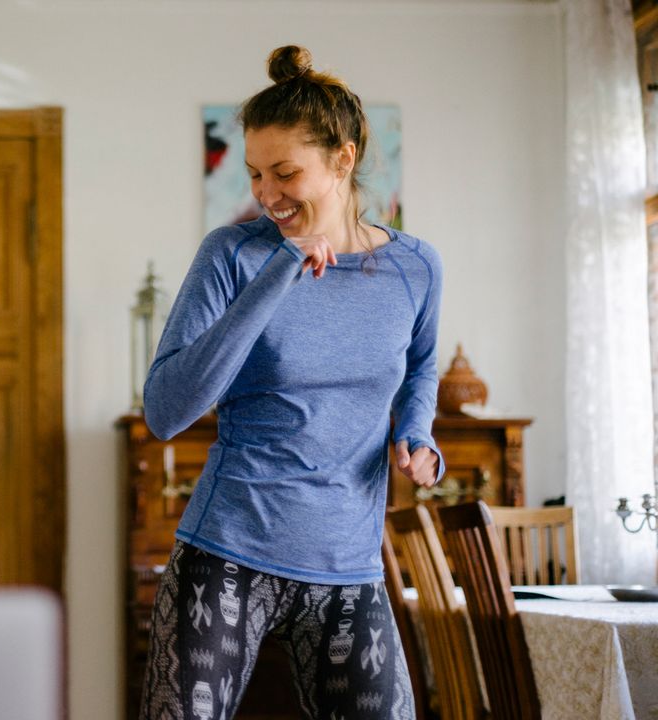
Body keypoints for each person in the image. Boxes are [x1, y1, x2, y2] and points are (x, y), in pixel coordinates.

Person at [139, 45, 443, 720]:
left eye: (285, 173)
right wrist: (278, 270)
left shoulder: (416, 267)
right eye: (254, 175)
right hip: (227, 551)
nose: (267, 194)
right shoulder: (232, 254)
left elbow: (420, 364)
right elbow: (165, 412)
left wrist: (417, 435)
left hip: (350, 565)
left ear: (344, 158)